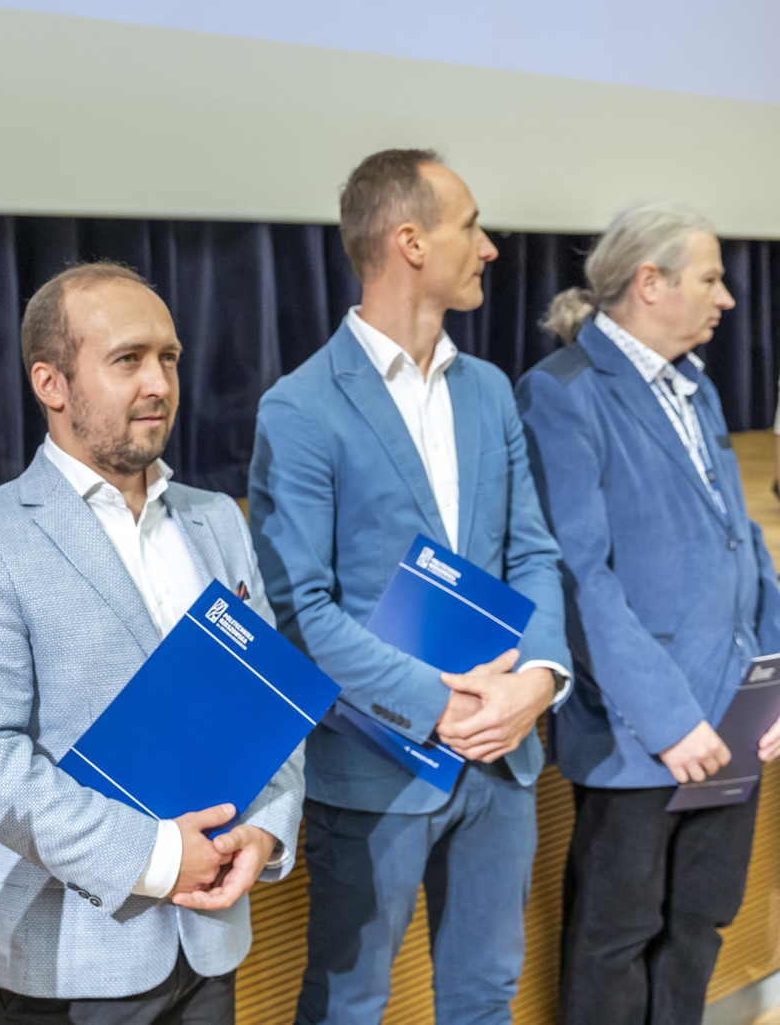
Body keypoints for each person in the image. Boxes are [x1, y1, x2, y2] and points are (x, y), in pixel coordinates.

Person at [0, 261, 305, 1025]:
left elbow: (267, 705)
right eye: (128, 359)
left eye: (169, 358)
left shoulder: (217, 521)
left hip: (210, 941)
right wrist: (156, 859)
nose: (159, 383)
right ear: (51, 384)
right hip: (67, 958)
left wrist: (265, 830)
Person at [248, 149, 572, 1025]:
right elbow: (297, 612)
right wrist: (439, 705)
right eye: (471, 226)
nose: (490, 247)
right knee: (350, 1004)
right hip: (375, 763)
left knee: (486, 996)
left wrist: (538, 682)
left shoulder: (490, 391)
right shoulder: (300, 407)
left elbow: (533, 555)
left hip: (502, 755)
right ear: (410, 242)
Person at [516, 204, 780, 1025]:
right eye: (711, 278)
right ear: (650, 281)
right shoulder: (562, 392)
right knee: (616, 938)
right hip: (640, 732)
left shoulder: (697, 385)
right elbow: (578, 578)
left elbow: (743, 543)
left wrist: (773, 682)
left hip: (732, 717)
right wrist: (669, 721)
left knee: (698, 924)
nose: (728, 298)